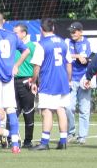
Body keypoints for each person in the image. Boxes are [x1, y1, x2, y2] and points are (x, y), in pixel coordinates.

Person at [0, 12, 31, 154]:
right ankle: (15, 145)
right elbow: (26, 50)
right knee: (10, 109)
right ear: (4, 21)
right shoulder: (12, 35)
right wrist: (16, 65)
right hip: (9, 75)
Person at [30, 18, 71, 150]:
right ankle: (63, 141)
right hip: (62, 81)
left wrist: (34, 81)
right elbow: (69, 64)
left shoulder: (42, 44)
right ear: (53, 28)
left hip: (49, 81)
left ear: (41, 30)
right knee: (61, 109)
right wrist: (68, 80)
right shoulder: (63, 42)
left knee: (46, 111)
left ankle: (44, 142)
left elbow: (37, 66)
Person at [67, 22, 94, 144]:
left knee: (84, 109)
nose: (72, 33)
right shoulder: (68, 42)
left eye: (74, 31)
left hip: (84, 79)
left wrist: (84, 59)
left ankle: (82, 136)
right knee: (68, 107)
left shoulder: (87, 43)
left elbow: (89, 59)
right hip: (71, 79)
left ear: (81, 32)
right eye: (71, 31)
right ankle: (71, 132)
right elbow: (65, 54)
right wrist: (77, 56)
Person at [13, 24, 38, 147]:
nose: (14, 35)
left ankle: (28, 140)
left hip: (27, 81)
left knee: (28, 112)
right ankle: (12, 139)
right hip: (13, 82)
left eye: (16, 33)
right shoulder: (12, 46)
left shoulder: (32, 47)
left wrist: (34, 81)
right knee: (13, 111)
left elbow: (37, 66)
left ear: (23, 33)